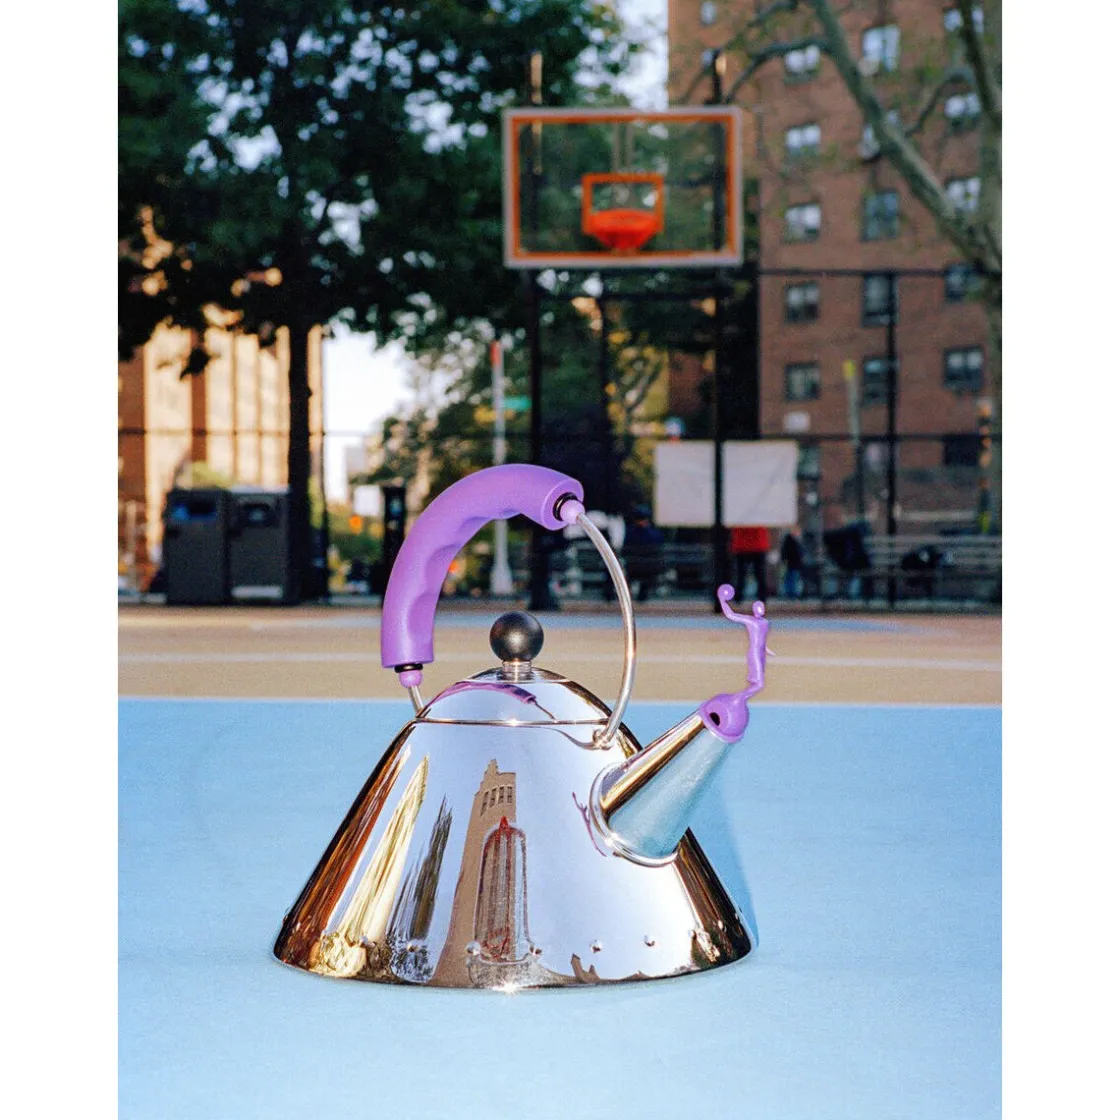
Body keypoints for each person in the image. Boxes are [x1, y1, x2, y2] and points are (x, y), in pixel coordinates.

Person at [618, 505, 664, 602]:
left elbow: (657, 548)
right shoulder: (632, 531)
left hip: (648, 566)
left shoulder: (651, 532)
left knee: (648, 574)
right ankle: (629, 597)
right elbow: (625, 550)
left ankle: (641, 596)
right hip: (634, 565)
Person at [729, 525, 770, 604]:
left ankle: (738, 598)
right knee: (759, 574)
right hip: (756, 543)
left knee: (741, 574)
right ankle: (762, 598)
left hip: (743, 544)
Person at [779, 527, 805, 600]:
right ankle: (791, 594)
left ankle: (790, 593)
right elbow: (797, 553)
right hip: (793, 564)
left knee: (790, 578)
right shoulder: (792, 541)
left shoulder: (790, 540)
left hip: (791, 563)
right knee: (792, 579)